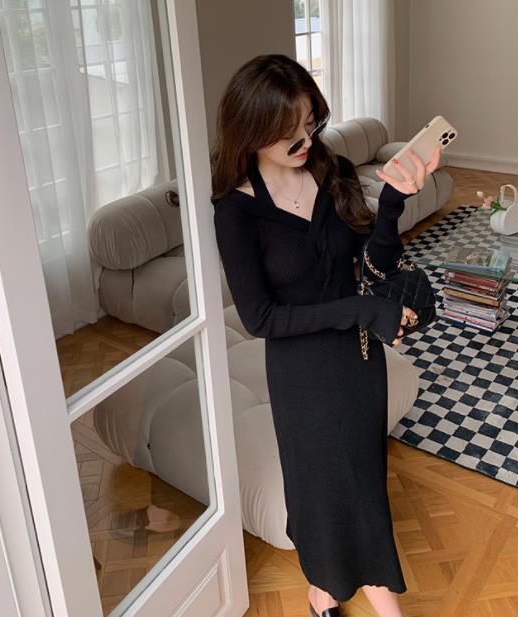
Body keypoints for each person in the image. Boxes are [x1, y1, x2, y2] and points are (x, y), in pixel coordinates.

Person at [210, 54, 441, 617]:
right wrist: (361, 310)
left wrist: (392, 203)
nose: (305, 139)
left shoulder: (329, 168)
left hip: (356, 359)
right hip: (302, 371)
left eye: (310, 123)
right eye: (289, 131)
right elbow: (260, 319)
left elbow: (373, 261)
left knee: (363, 476)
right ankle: (359, 592)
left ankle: (325, 592)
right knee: (323, 486)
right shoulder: (236, 212)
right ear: (252, 129)